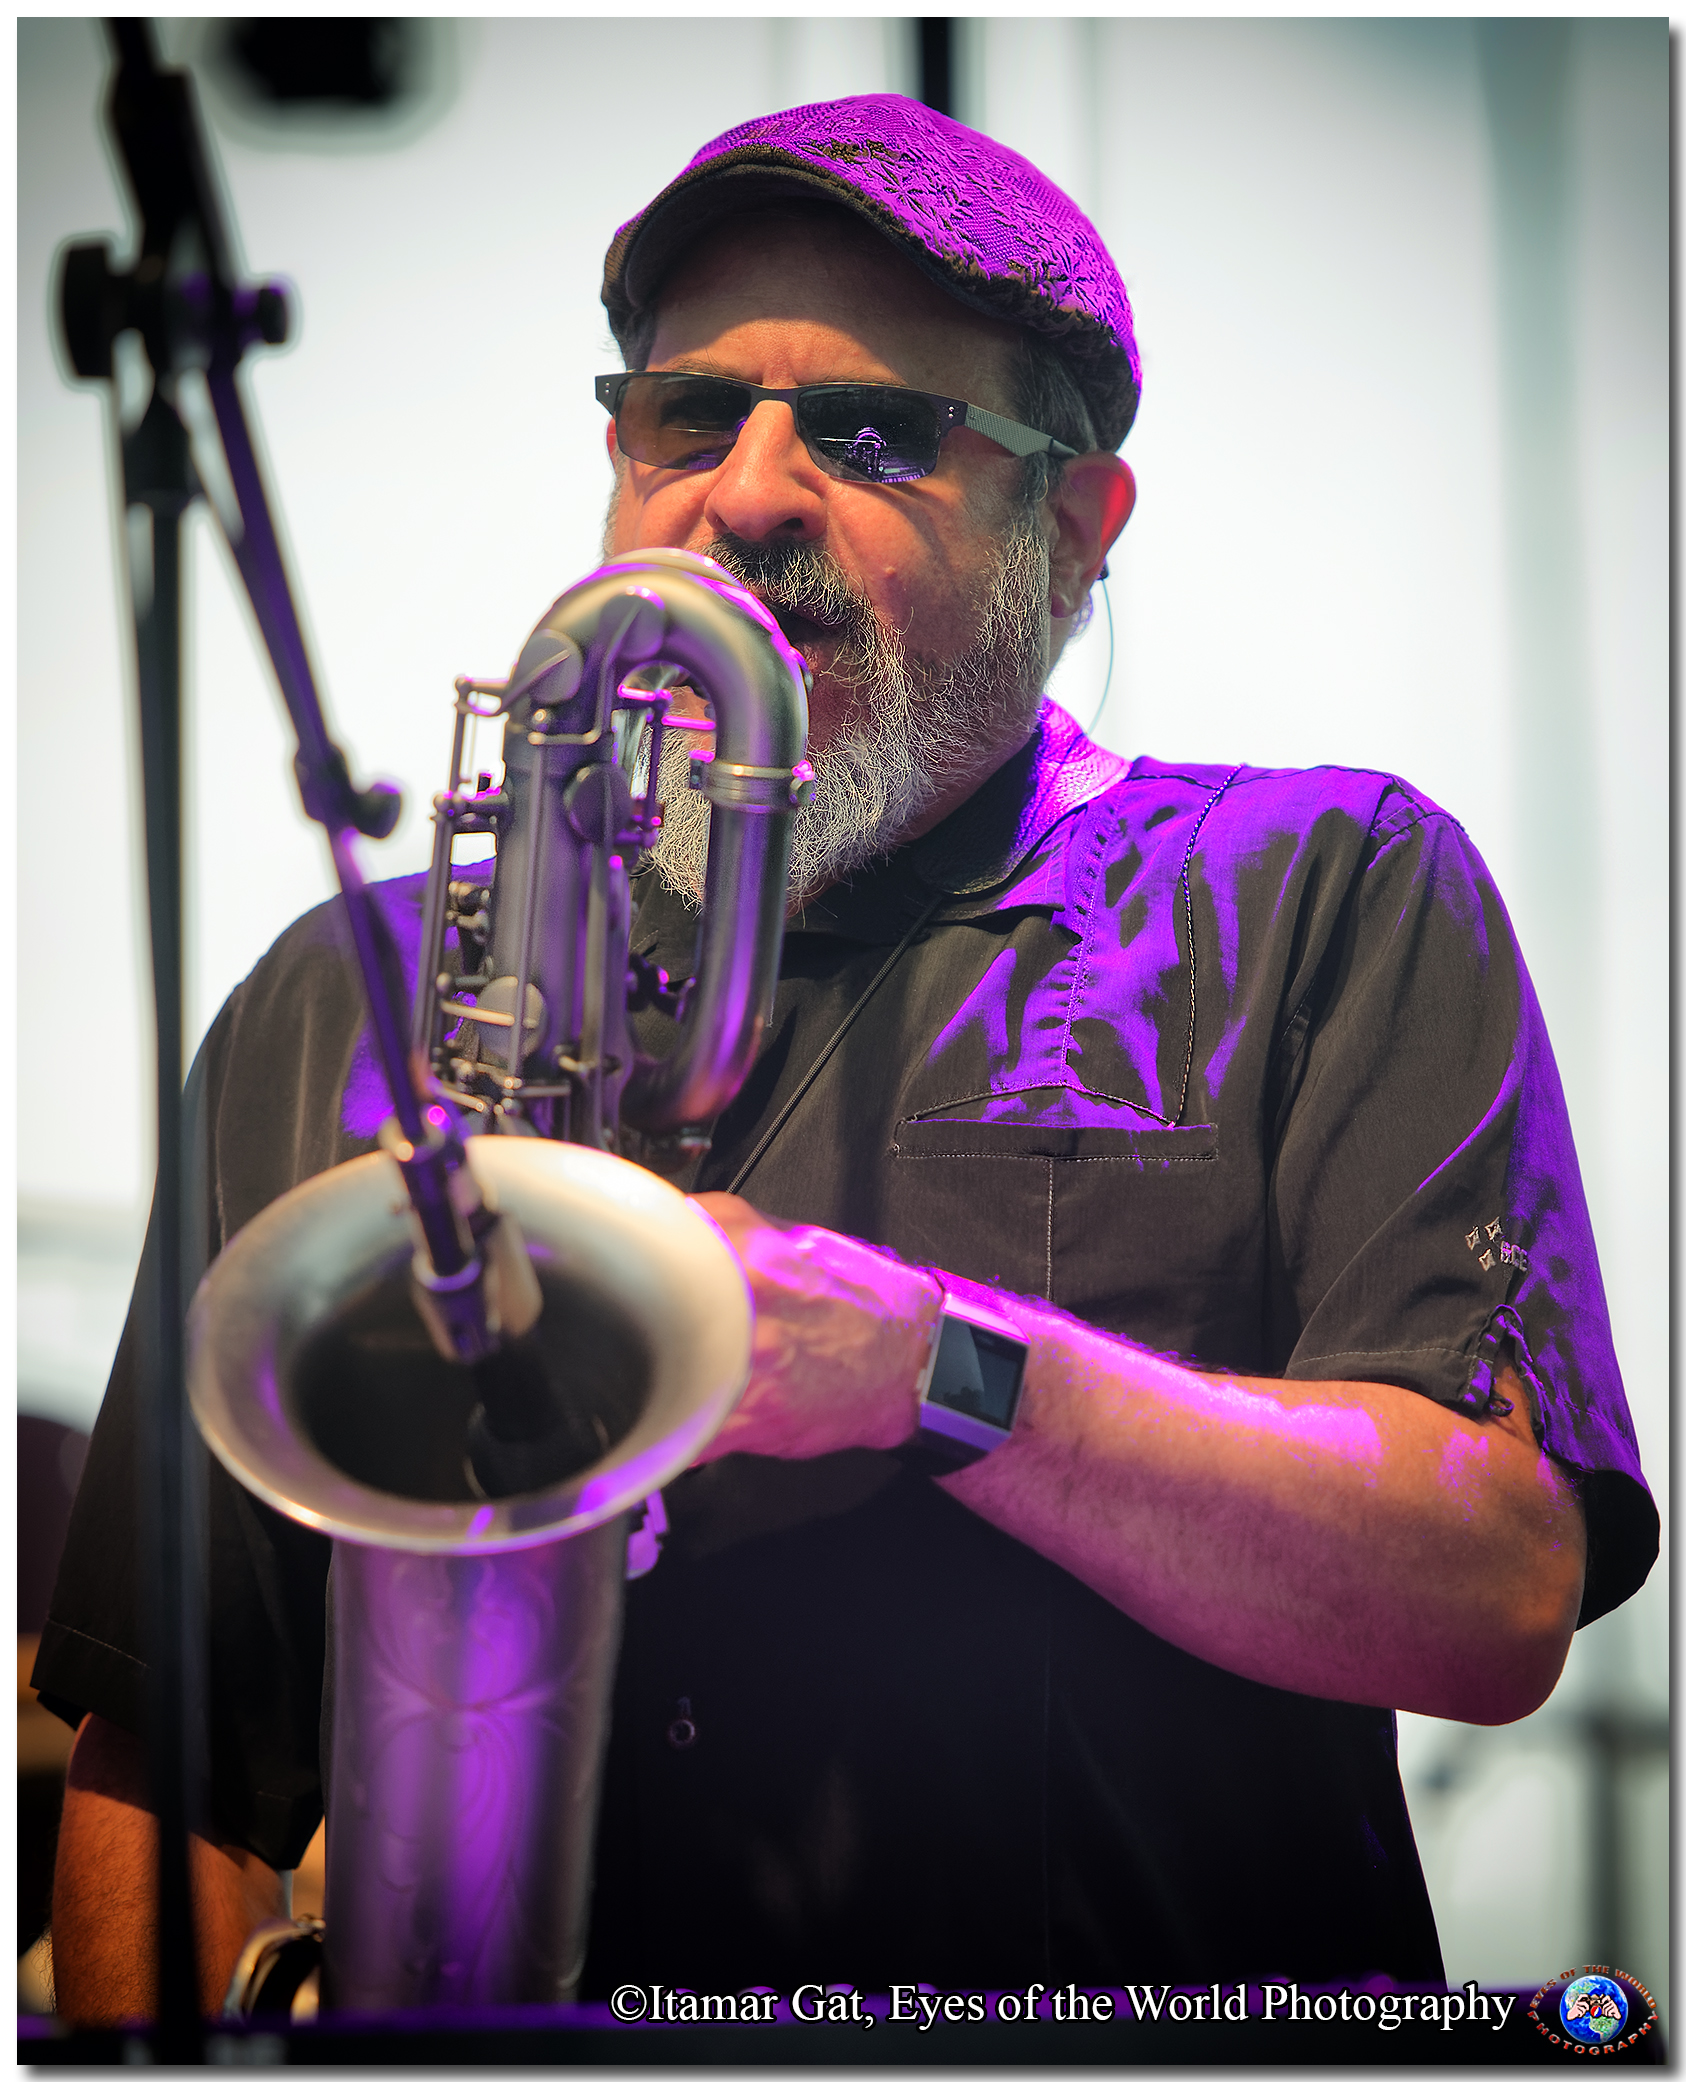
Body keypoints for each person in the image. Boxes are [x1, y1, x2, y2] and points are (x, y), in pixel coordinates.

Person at [38, 94, 1655, 2024]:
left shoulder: (1323, 885)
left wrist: (939, 1373)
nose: (747, 496)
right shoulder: (354, 994)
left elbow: (1493, 1593)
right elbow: (173, 1747)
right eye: (687, 415)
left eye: (874, 433)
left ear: (1075, 525)